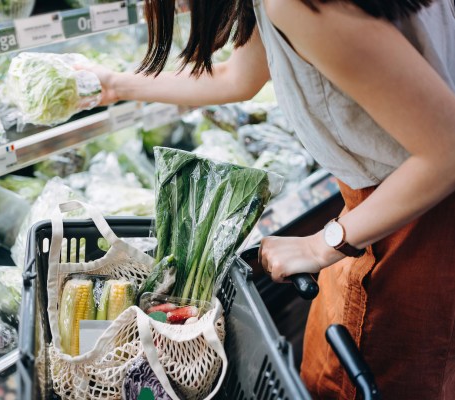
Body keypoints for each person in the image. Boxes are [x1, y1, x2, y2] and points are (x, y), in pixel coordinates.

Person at [86, 0, 455, 398]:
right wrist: (114, 84)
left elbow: (447, 152)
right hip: (381, 212)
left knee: (376, 379)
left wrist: (321, 244)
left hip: (416, 223)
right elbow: (237, 78)